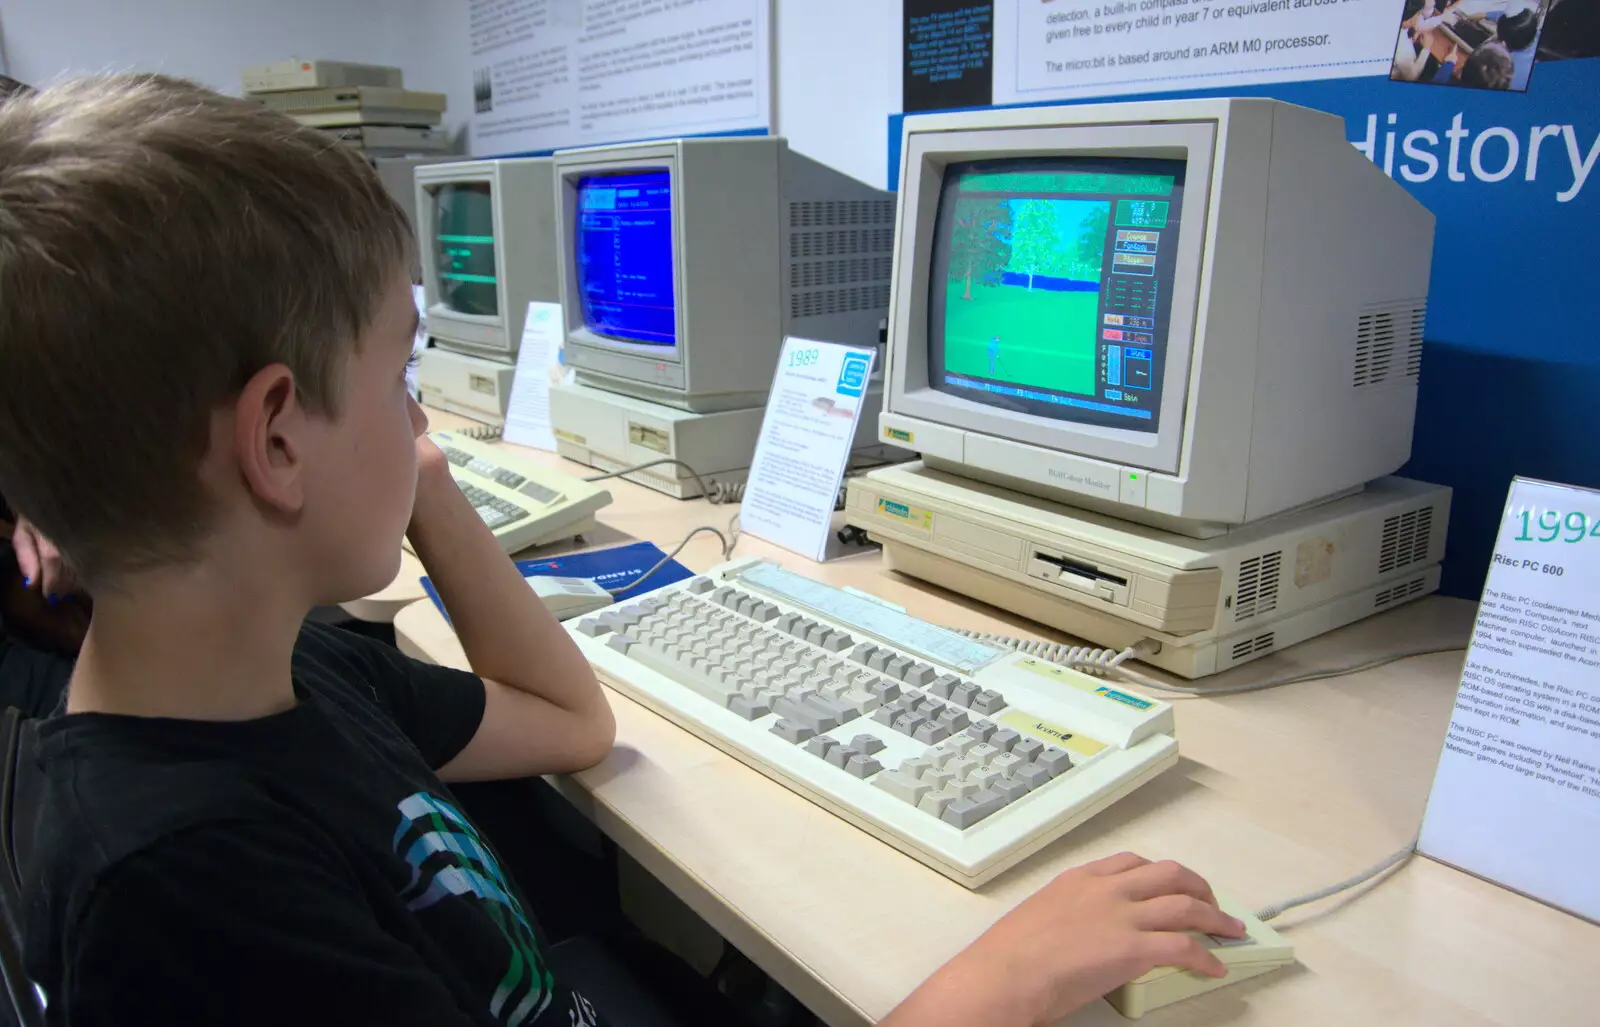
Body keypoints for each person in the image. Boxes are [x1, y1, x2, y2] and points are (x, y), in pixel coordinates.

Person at [0, 75, 1244, 1027]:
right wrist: (989, 984)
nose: (425, 416)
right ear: (276, 440)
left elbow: (568, 721)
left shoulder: (296, 671)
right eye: (400, 376)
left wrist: (418, 485)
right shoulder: (185, 893)